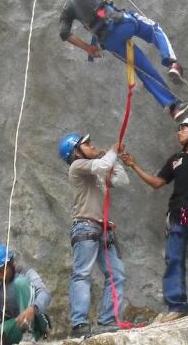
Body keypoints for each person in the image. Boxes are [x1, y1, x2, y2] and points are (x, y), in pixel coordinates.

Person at [120, 107, 188, 322]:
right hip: (177, 211)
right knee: (173, 259)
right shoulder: (175, 159)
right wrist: (134, 166)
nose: (178, 132)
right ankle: (177, 305)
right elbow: (157, 182)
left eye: (183, 128)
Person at [59, 0, 188, 121]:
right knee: (154, 29)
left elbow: (64, 33)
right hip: (121, 23)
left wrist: (88, 48)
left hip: (109, 42)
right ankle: (173, 64)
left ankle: (174, 108)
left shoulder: (68, 6)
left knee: (144, 71)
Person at [58, 132, 130, 338]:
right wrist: (111, 152)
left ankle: (107, 320)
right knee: (82, 273)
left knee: (117, 274)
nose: (91, 145)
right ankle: (79, 323)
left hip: (101, 228)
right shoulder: (77, 167)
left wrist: (111, 157)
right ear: (76, 152)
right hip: (86, 226)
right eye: (86, 144)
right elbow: (101, 165)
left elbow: (122, 180)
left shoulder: (96, 171)